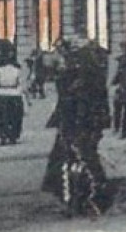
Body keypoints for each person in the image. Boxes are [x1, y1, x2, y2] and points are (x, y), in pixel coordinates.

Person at [43, 41, 113, 217]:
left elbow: (77, 104)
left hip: (79, 125)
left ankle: (87, 199)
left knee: (80, 161)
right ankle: (81, 199)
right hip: (78, 124)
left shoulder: (83, 80)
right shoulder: (86, 78)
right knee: (76, 162)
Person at [0, 45, 25, 145]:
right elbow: (21, 84)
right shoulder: (17, 70)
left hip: (2, 94)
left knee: (1, 117)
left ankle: (2, 135)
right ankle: (13, 135)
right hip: (15, 95)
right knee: (15, 117)